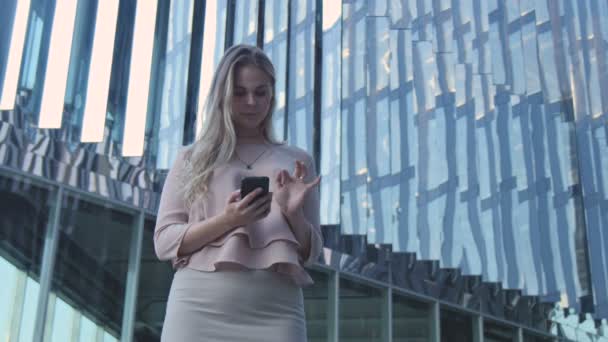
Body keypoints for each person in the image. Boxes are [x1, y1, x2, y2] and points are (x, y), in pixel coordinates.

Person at [153, 44, 323, 341]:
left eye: (261, 92)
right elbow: (164, 242)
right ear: (223, 95)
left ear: (272, 96)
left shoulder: (298, 160)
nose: (251, 102)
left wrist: (294, 215)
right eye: (240, 92)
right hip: (197, 311)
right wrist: (228, 220)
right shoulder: (193, 158)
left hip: (277, 312)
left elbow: (312, 254)